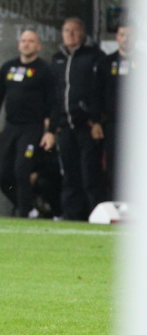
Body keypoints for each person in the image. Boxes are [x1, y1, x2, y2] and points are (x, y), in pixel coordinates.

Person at [0, 29, 56, 217]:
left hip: (32, 128)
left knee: (22, 169)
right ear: (18, 45)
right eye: (23, 40)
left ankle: (25, 213)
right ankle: (29, 207)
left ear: (38, 46)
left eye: (31, 41)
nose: (26, 44)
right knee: (4, 176)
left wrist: (51, 131)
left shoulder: (44, 70)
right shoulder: (8, 67)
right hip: (11, 127)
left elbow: (53, 102)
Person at [51, 17, 107, 221]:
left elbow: (99, 91)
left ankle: (97, 214)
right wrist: (52, 124)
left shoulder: (95, 57)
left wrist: (96, 119)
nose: (70, 34)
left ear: (83, 33)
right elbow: (53, 94)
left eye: (75, 30)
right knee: (69, 175)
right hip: (65, 127)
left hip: (87, 126)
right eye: (67, 30)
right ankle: (72, 215)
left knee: (90, 175)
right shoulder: (57, 58)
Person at [102, 23, 130, 200]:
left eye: (130, 35)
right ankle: (114, 202)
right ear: (117, 38)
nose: (126, 39)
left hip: (137, 124)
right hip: (112, 122)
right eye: (122, 35)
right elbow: (97, 93)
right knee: (113, 164)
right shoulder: (106, 63)